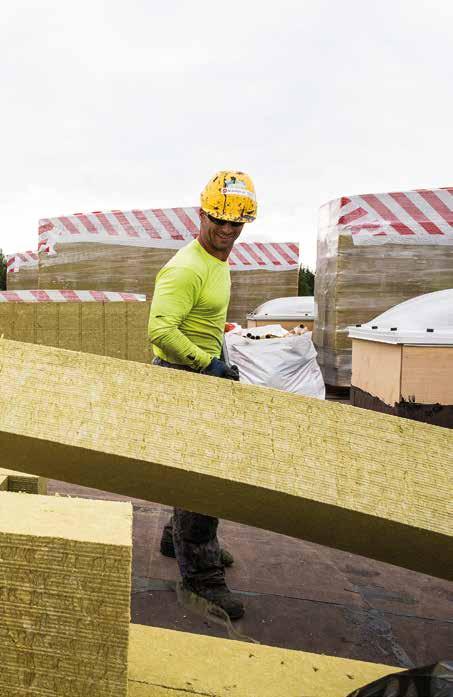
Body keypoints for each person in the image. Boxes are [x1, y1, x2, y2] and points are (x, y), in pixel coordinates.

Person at [148, 170, 257, 620]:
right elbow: (159, 330)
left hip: (200, 373)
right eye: (219, 221)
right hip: (182, 376)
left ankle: (179, 538)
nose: (227, 231)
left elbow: (201, 320)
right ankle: (202, 577)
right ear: (202, 214)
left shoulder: (217, 262)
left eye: (237, 224)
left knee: (194, 470)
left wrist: (221, 348)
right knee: (204, 479)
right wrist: (205, 363)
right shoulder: (186, 268)